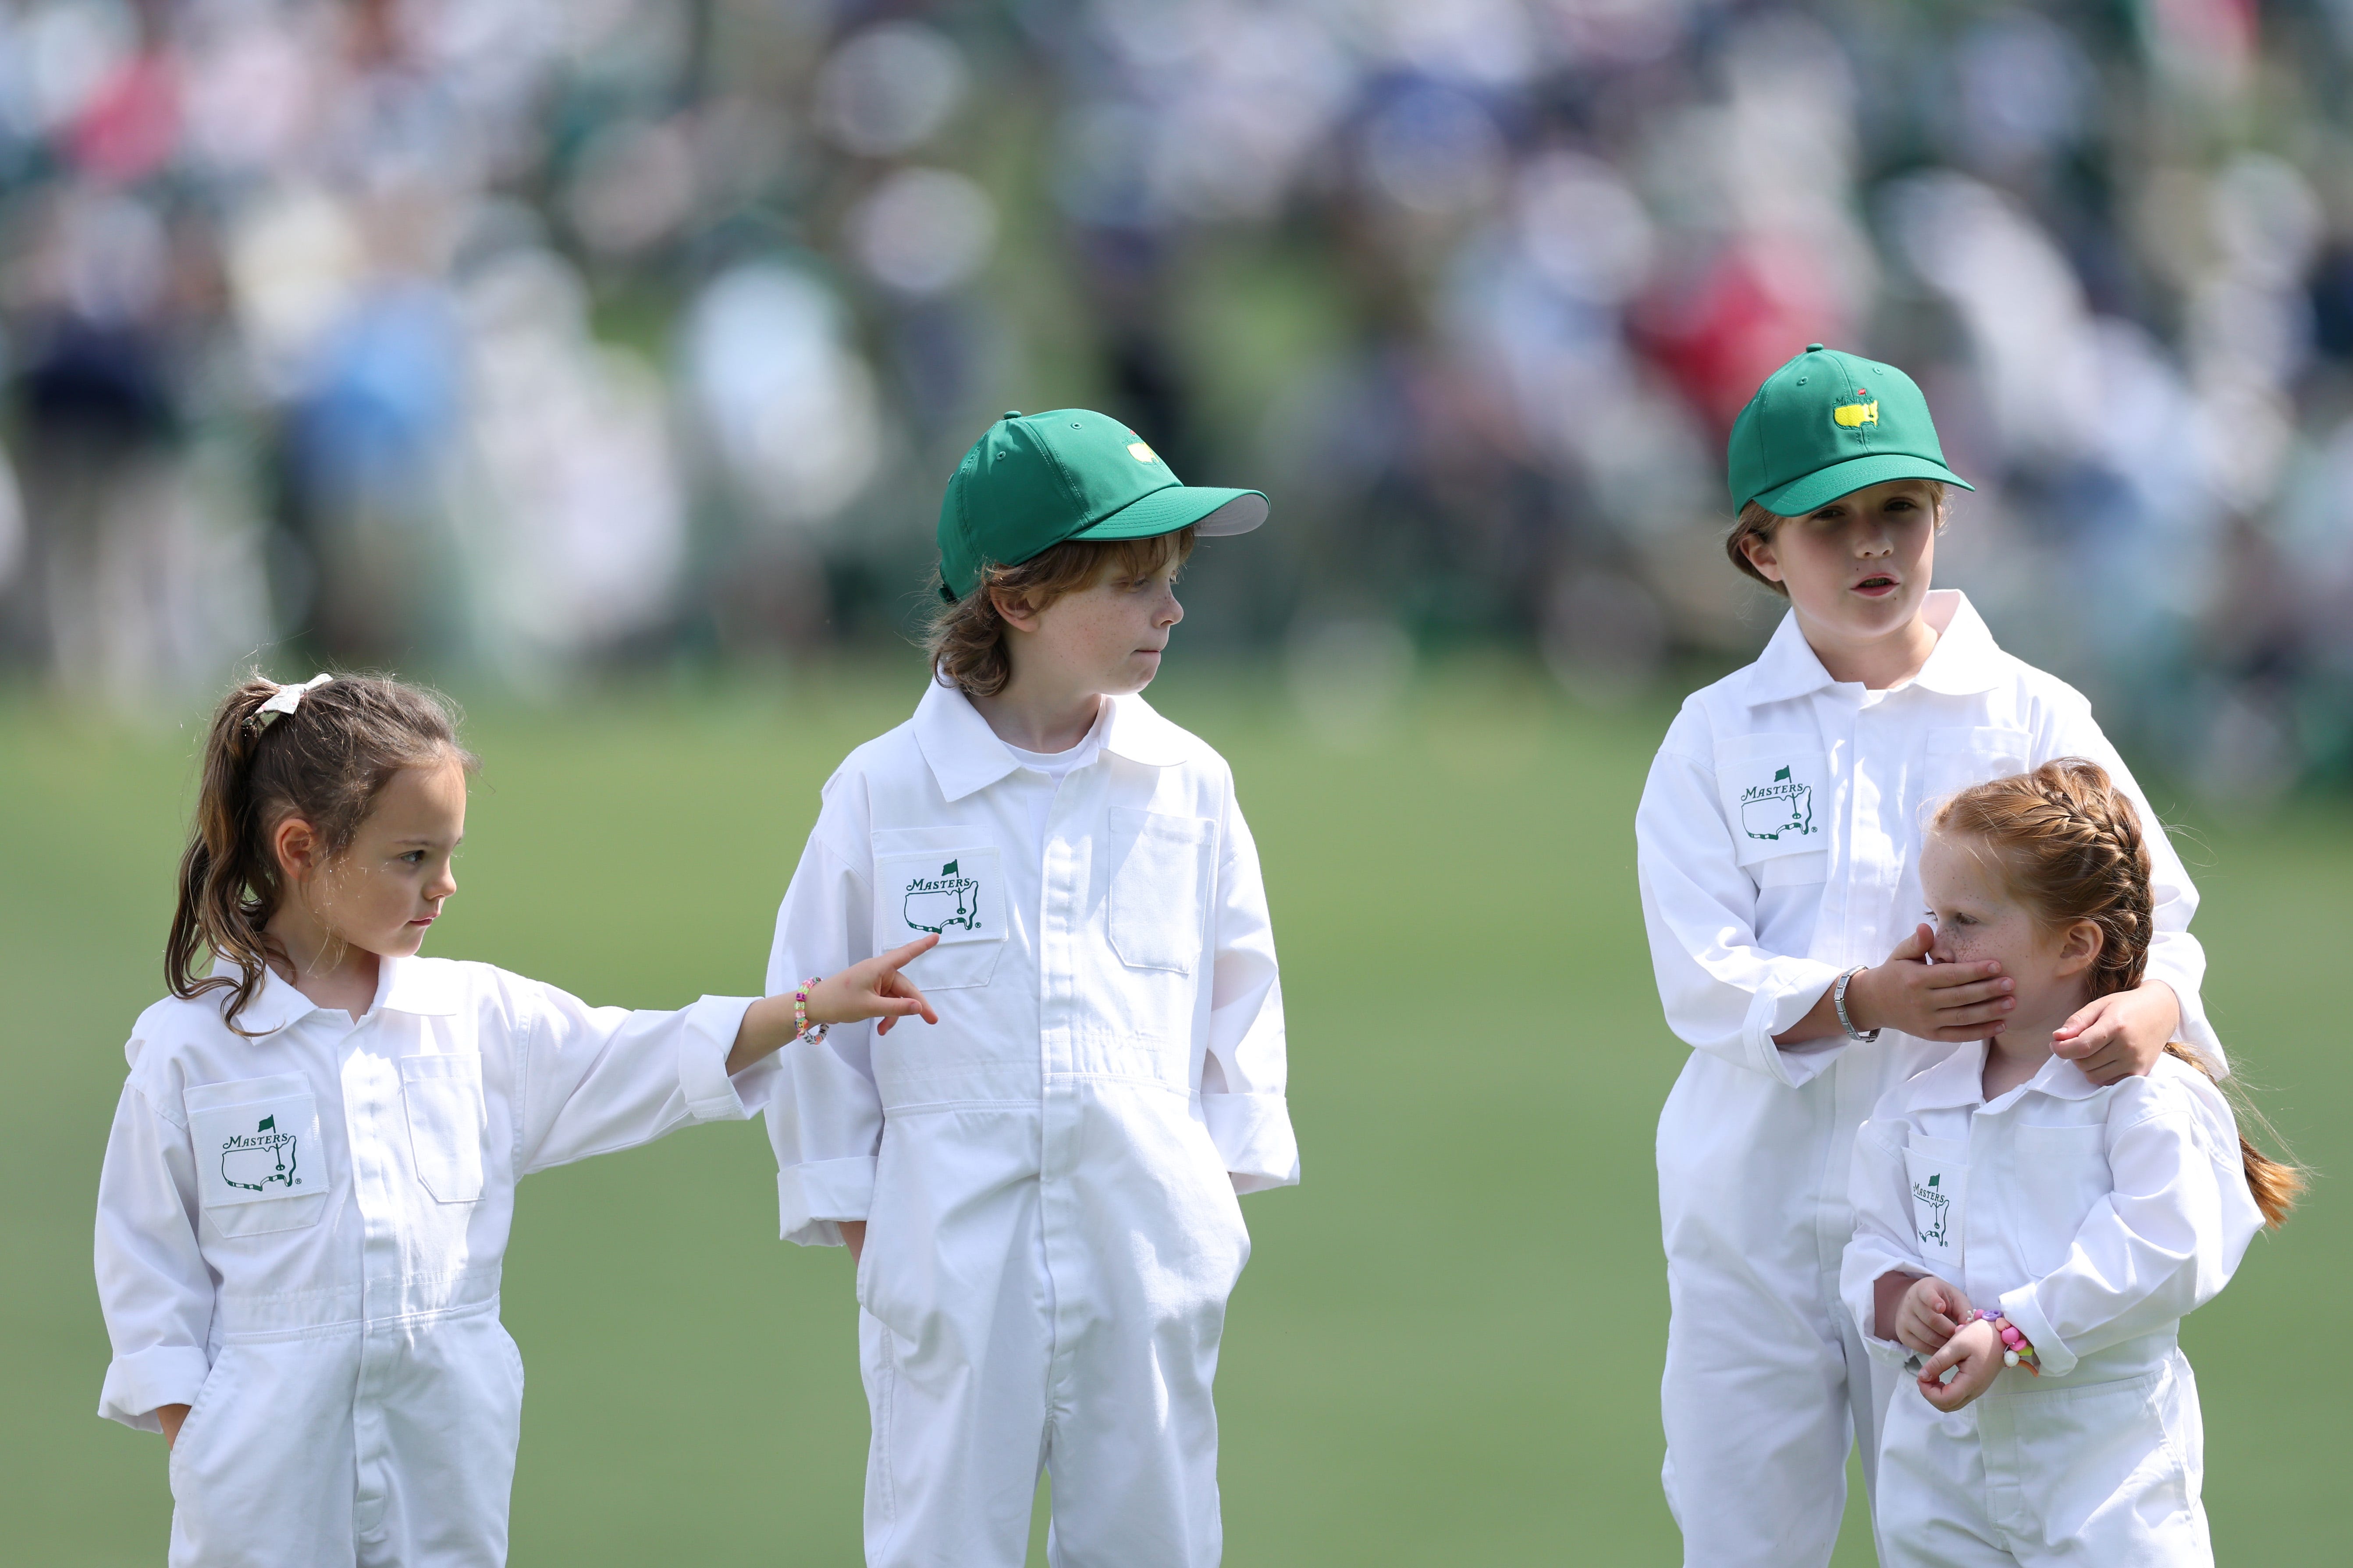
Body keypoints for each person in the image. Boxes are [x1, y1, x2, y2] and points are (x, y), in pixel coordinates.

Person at [94, 671, 939, 1568]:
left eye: (449, 853)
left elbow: (637, 1054)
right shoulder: (191, 1049)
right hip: (261, 1504)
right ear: (301, 848)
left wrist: (807, 1006)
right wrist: (210, 1448)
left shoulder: (478, 1019)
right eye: (412, 857)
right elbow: (147, 1267)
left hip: (445, 1481)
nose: (445, 884)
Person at [1633, 345, 2224, 1567]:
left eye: (1899, 509)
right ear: (1759, 549)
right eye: (1828, 521)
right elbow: (1699, 967)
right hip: (1752, 1205)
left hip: (1970, 1224)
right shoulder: (1714, 734)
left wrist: (2155, 1006)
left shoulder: (2030, 712)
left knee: (1958, 1526)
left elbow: (2155, 909)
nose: (1872, 546)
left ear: (1942, 517)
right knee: (1740, 1537)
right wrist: (1865, 998)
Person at [761, 409, 1294, 1568]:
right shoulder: (884, 792)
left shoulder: (1189, 786)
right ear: (1017, 596)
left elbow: (1241, 1006)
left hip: (1145, 1263)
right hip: (952, 1275)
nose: (1172, 609)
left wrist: (1200, 1220)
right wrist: (886, 1246)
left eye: (1174, 578)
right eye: (1135, 582)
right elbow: (812, 1028)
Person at [1843, 759, 2299, 1566]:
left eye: (1965, 919)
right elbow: (1873, 1239)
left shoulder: (2139, 1097)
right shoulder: (1919, 1101)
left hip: (2104, 1472)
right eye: (1932, 913)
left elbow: (2167, 1248)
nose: (1932, 942)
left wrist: (2016, 1332)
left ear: (2075, 945)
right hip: (1941, 1473)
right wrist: (1899, 1297)